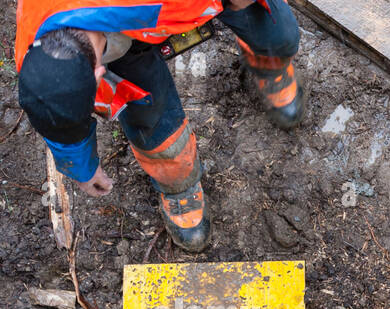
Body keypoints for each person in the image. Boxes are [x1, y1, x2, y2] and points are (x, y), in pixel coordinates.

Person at [15, 0, 307, 253]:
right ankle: (179, 185)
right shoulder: (35, 44)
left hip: (167, 9)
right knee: (152, 124)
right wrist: (80, 167)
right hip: (124, 39)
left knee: (277, 34)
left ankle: (270, 63)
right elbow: (55, 110)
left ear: (97, 74)